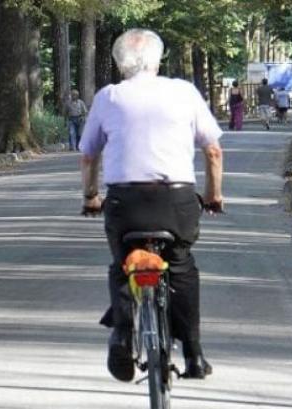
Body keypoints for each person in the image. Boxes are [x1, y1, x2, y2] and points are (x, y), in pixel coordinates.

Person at [79, 28, 224, 382]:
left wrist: (90, 197)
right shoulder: (184, 92)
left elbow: (88, 155)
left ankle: (122, 335)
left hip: (125, 202)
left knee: (121, 265)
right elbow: (213, 150)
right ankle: (193, 354)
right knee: (182, 267)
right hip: (175, 201)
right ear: (158, 59)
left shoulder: (108, 97)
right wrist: (213, 195)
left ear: (119, 63)